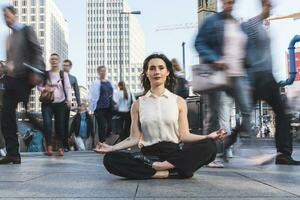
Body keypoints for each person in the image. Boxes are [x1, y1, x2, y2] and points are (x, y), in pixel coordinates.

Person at [94, 53, 226, 179]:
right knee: (110, 159)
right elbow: (134, 138)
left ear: (167, 72)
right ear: (147, 73)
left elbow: (185, 135)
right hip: (148, 156)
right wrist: (111, 148)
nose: (157, 71)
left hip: (173, 154)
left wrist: (208, 136)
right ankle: (170, 173)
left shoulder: (179, 101)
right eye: (152, 68)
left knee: (209, 146)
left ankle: (160, 167)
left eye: (161, 68)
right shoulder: (137, 104)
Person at [240, 0, 300, 165]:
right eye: (269, 4)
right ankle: (223, 145)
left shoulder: (262, 25)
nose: (272, 7)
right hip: (257, 76)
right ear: (263, 4)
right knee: (247, 116)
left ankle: (283, 154)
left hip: (267, 76)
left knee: (282, 114)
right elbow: (243, 51)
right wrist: (248, 79)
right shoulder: (251, 25)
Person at [194, 0, 252, 139]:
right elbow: (198, 42)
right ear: (221, 2)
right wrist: (214, 59)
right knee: (213, 114)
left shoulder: (237, 24)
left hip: (237, 75)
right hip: (218, 73)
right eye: (226, 2)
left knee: (247, 110)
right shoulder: (211, 21)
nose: (229, 5)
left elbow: (244, 54)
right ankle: (209, 152)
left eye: (231, 2)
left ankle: (227, 146)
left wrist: (248, 79)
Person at [0, 6, 45, 164]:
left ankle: (49, 134)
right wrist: (8, 67)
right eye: (4, 16)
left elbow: (37, 50)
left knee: (26, 112)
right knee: (6, 115)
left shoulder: (27, 30)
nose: (6, 19)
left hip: (26, 77)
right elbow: (11, 60)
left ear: (14, 14)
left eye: (8, 15)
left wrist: (37, 71)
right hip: (11, 78)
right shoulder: (9, 38)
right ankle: (13, 153)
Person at [38, 53, 72, 157]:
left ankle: (60, 147)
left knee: (60, 126)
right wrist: (45, 89)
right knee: (47, 125)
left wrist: (69, 100)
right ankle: (49, 147)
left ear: (59, 61)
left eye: (56, 59)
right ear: (49, 61)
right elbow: (39, 86)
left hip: (60, 103)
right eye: (52, 59)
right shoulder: (45, 74)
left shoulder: (63, 74)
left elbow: (67, 87)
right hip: (47, 103)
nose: (54, 61)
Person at [88, 66, 113, 143]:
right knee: (102, 126)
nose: (103, 72)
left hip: (109, 107)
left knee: (110, 125)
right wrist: (91, 108)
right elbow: (92, 95)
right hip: (99, 107)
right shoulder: (96, 83)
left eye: (104, 71)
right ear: (98, 72)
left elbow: (112, 94)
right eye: (101, 71)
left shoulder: (109, 82)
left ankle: (106, 136)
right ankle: (102, 143)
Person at [62, 59, 81, 152]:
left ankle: (65, 145)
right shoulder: (58, 75)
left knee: (65, 125)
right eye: (63, 65)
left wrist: (80, 104)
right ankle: (60, 145)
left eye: (66, 65)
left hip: (67, 104)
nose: (64, 67)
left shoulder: (73, 78)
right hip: (57, 103)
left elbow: (77, 92)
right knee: (59, 124)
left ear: (70, 67)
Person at [0, 61, 6, 157]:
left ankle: (4, 148)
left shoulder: (7, 80)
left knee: (6, 129)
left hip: (6, 108)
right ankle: (2, 148)